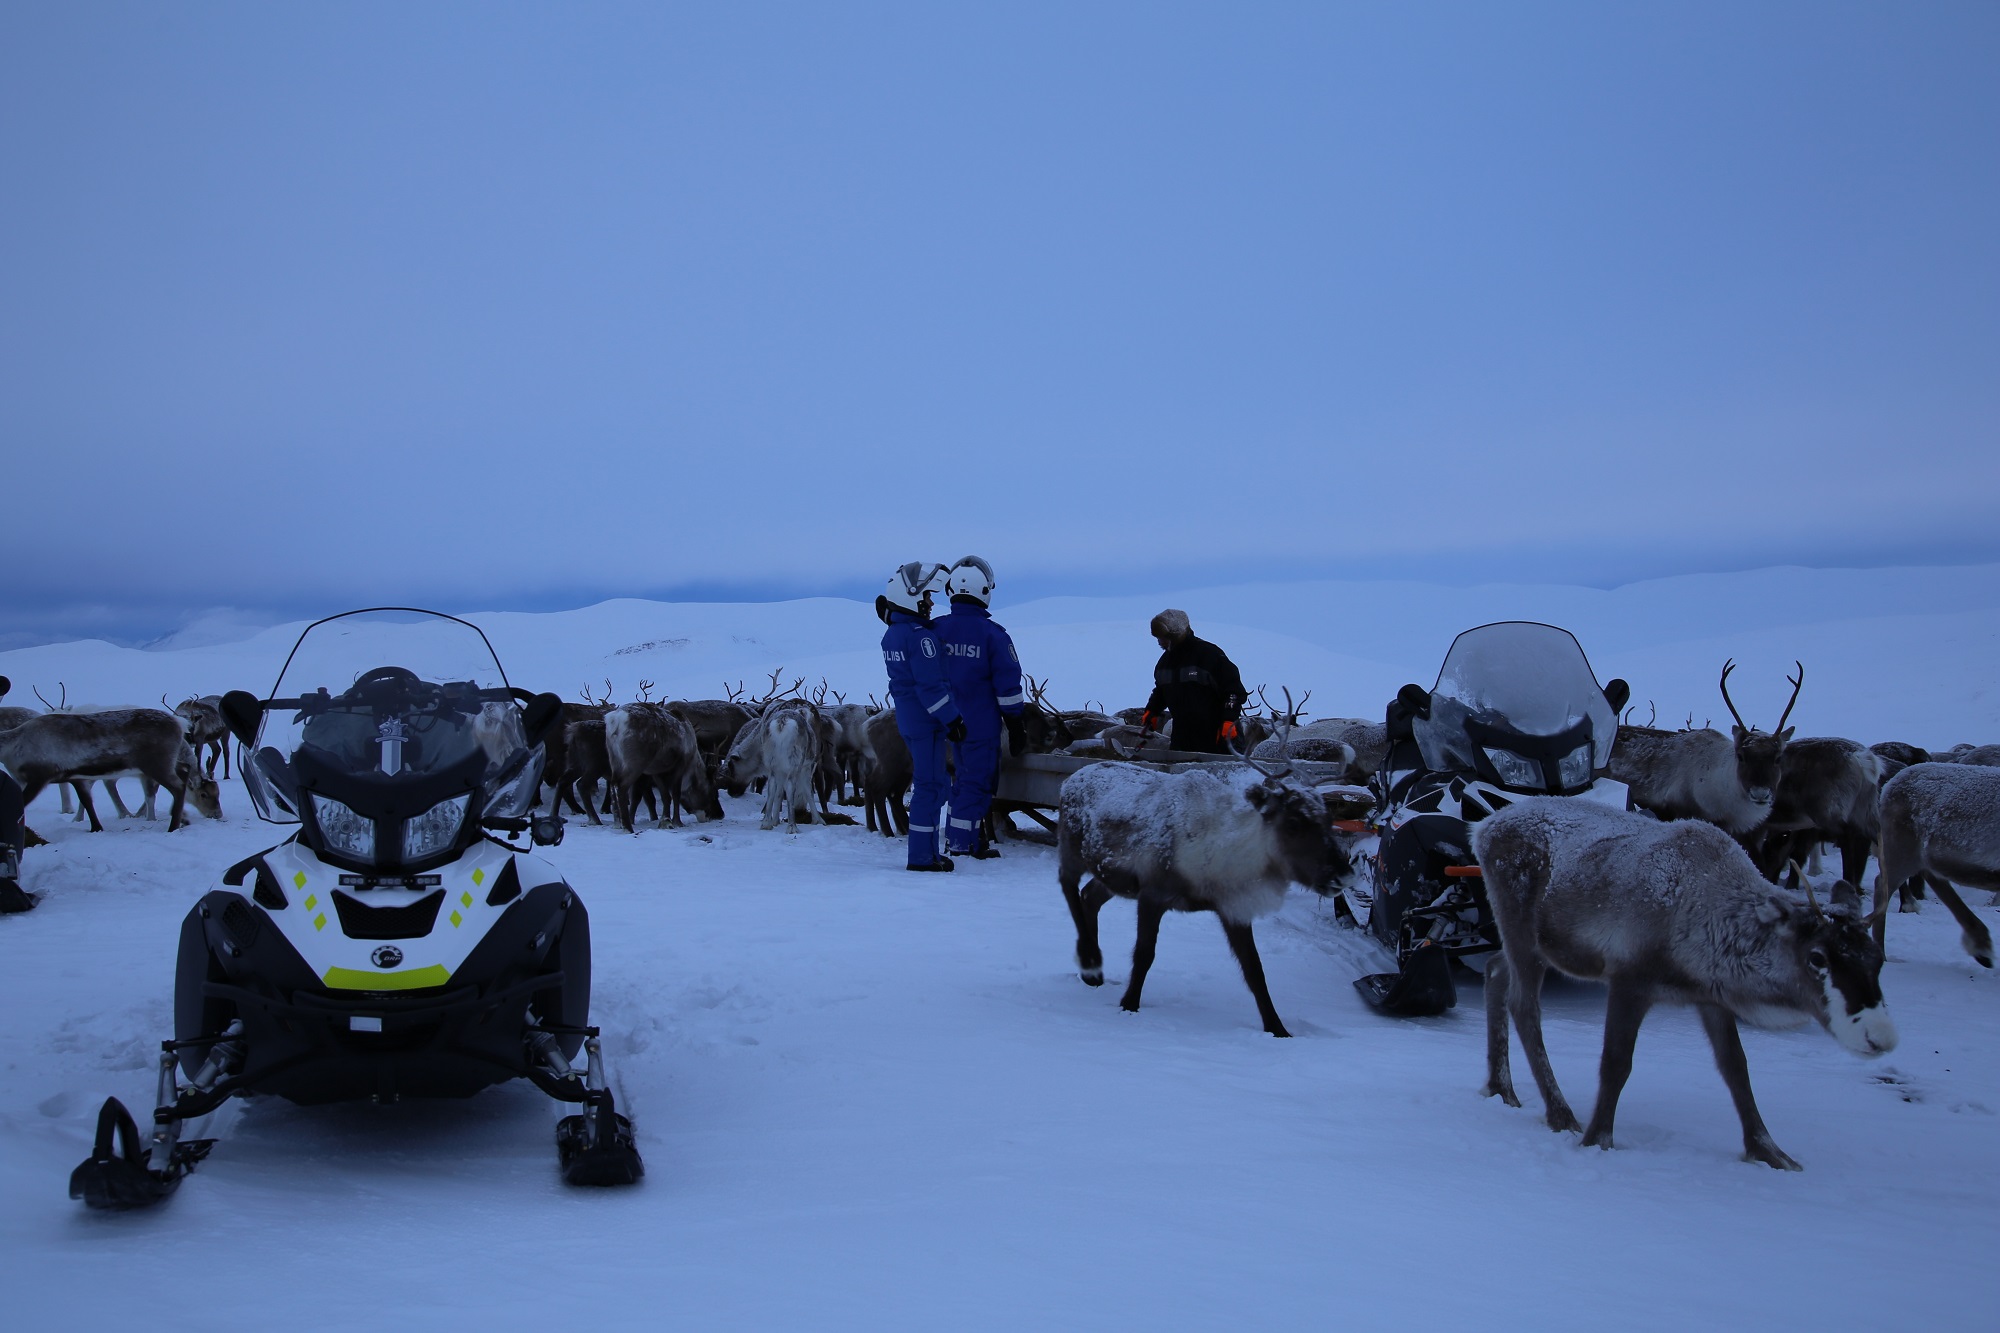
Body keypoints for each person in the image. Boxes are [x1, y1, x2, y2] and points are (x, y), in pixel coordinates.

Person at [935, 556, 1027, 859]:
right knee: (975, 783)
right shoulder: (994, 636)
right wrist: (1016, 724)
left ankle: (962, 838)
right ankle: (962, 844)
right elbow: (1008, 686)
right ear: (985, 590)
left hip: (943, 722)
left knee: (960, 783)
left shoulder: (934, 630)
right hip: (980, 725)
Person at [878, 561, 965, 872]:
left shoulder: (894, 634)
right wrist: (953, 719)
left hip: (909, 719)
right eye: (926, 597)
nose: (930, 603)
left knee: (930, 784)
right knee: (930, 787)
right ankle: (921, 856)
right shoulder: (920, 638)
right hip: (928, 722)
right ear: (908, 595)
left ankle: (927, 852)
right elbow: (930, 687)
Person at [1140, 609, 1247, 755]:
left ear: (1175, 635)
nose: (1160, 642)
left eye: (1163, 637)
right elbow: (1161, 690)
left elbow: (1233, 690)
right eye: (1158, 638)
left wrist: (1229, 720)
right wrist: (1152, 711)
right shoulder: (1164, 663)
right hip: (1182, 737)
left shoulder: (1210, 656)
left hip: (1220, 735)